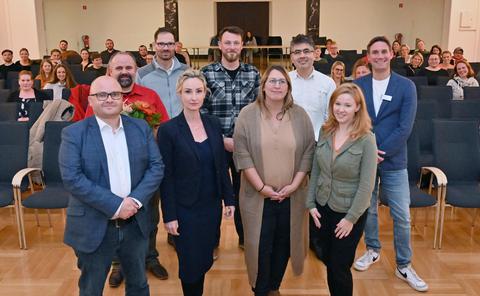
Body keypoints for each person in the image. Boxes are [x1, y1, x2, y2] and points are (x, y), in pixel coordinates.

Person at [59, 75, 164, 296]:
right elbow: (72, 178)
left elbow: (156, 167)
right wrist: (117, 206)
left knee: (138, 284)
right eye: (102, 95)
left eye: (115, 94)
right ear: (91, 100)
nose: (109, 99)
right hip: (93, 226)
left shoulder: (140, 128)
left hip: (135, 225)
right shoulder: (73, 134)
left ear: (122, 98)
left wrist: (134, 201)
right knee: (91, 288)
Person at [84, 52, 170, 287]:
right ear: (109, 72)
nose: (124, 72)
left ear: (136, 71)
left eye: (129, 67)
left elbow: (163, 128)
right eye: (119, 67)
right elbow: (88, 132)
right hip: (110, 175)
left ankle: (150, 258)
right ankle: (118, 264)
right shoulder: (101, 98)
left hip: (144, 176)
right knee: (114, 220)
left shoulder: (150, 96)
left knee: (150, 218)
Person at [353, 36, 428, 292]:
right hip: (365, 159)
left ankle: (404, 264)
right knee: (368, 209)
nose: (380, 56)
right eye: (375, 52)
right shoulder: (359, 84)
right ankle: (372, 250)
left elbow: (405, 127)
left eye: (384, 51)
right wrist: (368, 151)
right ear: (368, 56)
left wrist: (380, 151)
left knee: (402, 215)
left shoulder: (406, 86)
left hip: (394, 160)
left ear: (390, 55)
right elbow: (356, 121)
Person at [233, 65, 315, 296]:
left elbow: (309, 151)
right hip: (257, 197)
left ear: (288, 87)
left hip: (292, 196)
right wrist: (262, 187)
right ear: (264, 86)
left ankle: (274, 287)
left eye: (282, 82)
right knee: (259, 246)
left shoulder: (300, 115)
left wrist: (294, 185)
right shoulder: (248, 114)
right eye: (272, 81)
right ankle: (260, 288)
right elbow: (242, 153)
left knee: (284, 244)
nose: (277, 85)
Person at [158, 69, 235, 296]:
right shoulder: (168, 130)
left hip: (210, 207)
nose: (194, 97)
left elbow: (221, 165)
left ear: (205, 94)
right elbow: (167, 177)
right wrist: (169, 215)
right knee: (190, 265)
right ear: (179, 94)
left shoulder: (212, 123)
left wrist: (228, 198)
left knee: (204, 259)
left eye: (199, 91)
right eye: (188, 91)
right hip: (184, 210)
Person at [306, 83, 377, 296]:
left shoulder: (367, 139)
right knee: (327, 259)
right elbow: (316, 169)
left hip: (348, 213)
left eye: (347, 105)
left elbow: (367, 185)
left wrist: (351, 219)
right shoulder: (325, 130)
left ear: (357, 107)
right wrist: (310, 203)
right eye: (337, 103)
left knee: (339, 266)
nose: (341, 109)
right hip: (321, 208)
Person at [201, 25, 261, 252]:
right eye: (227, 42)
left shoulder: (253, 73)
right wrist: (221, 139)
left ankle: (245, 238)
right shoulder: (206, 73)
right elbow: (202, 111)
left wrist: (243, 140)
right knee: (213, 193)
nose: (232, 47)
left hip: (245, 146)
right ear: (219, 45)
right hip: (215, 144)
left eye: (236, 43)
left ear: (242, 46)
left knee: (244, 194)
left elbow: (259, 110)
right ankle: (213, 242)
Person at [289, 34, 336, 142]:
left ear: (314, 54)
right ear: (291, 57)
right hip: (289, 144)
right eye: (297, 52)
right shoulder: (284, 81)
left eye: (306, 51)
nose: (302, 55)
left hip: (319, 144)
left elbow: (332, 118)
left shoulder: (328, 84)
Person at [137, 27, 189, 118]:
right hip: (155, 129)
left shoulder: (186, 72)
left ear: (175, 45)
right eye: (161, 44)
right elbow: (137, 106)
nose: (166, 48)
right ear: (154, 45)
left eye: (170, 44)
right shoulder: (142, 74)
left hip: (183, 128)